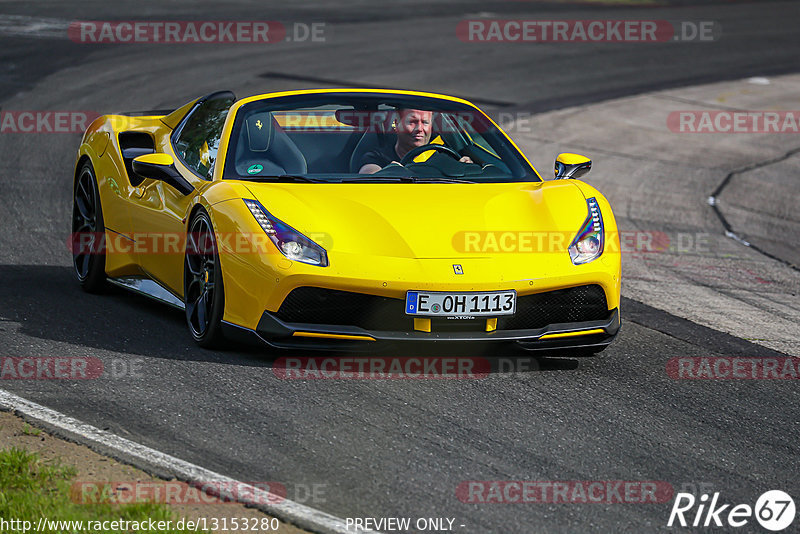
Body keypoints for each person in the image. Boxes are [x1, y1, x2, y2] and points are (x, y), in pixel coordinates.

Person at [358, 108, 472, 174]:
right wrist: (388, 174)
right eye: (412, 122)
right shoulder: (378, 156)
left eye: (425, 122)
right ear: (397, 124)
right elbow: (367, 173)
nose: (419, 129)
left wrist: (464, 167)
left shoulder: (445, 155)